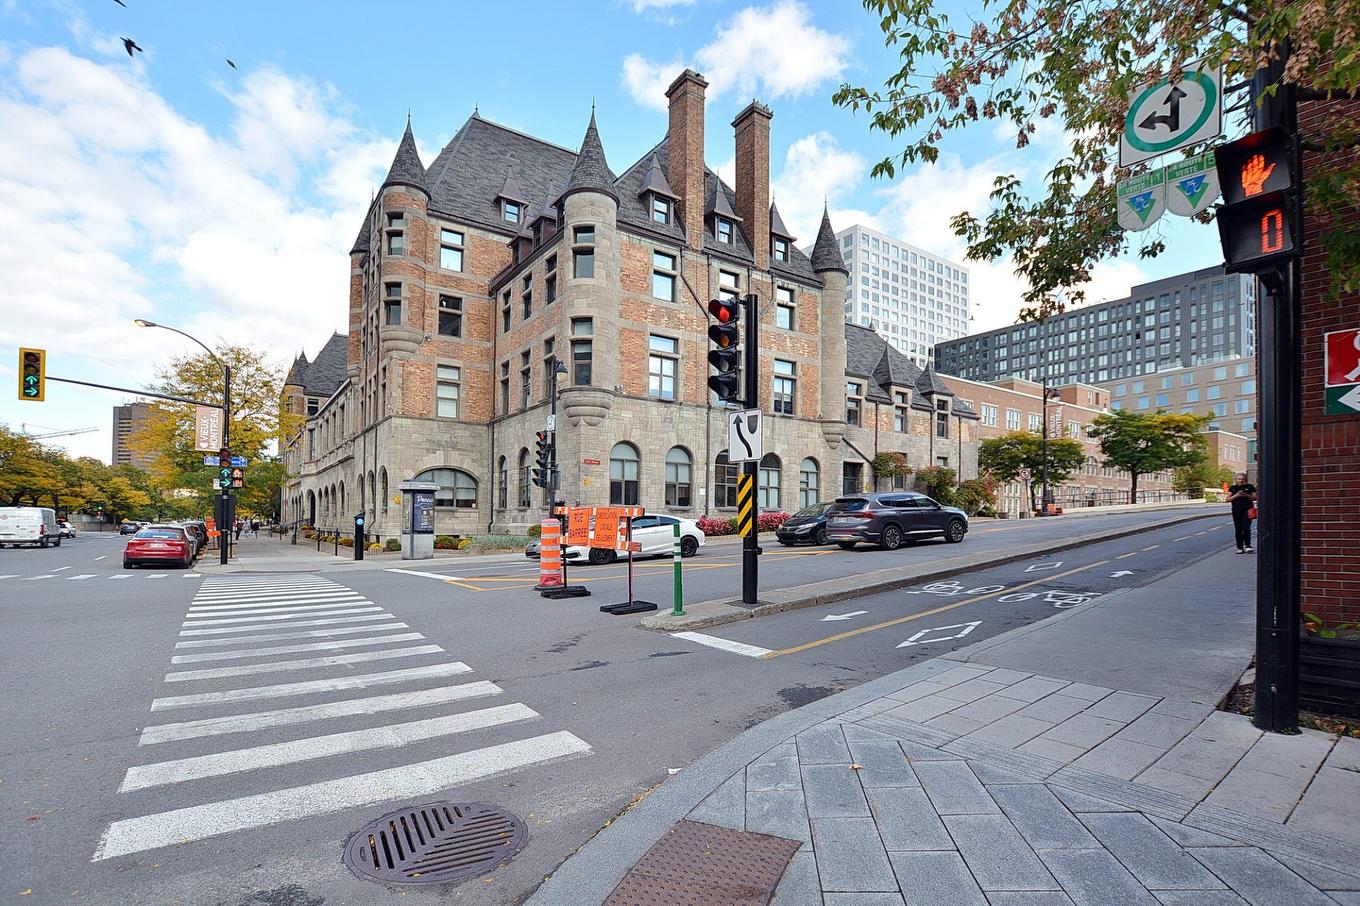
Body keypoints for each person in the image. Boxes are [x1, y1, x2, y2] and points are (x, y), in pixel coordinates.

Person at [1226, 472, 1257, 554]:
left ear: (1245, 479)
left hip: (1248, 510)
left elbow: (1254, 497)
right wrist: (1236, 495)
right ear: (1236, 480)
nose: (1241, 481)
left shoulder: (1249, 487)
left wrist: (1245, 495)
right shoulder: (1233, 488)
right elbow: (1227, 499)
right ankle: (1239, 547)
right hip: (1236, 510)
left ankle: (1248, 545)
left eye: (1242, 479)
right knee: (1238, 528)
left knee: (1246, 527)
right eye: (1239, 479)